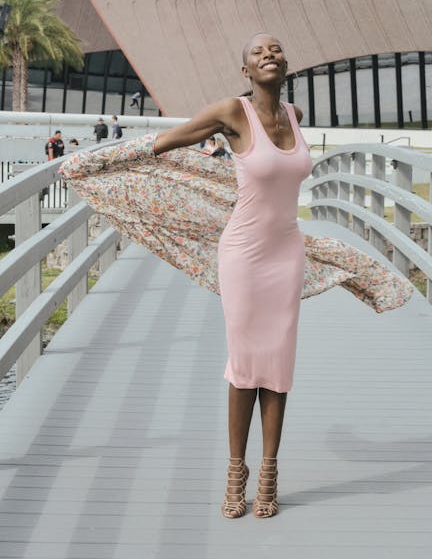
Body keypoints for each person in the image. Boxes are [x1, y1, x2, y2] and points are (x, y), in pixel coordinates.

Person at [59, 33, 413, 520]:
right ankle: (235, 472)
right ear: (245, 70)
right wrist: (90, 162)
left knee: (279, 364)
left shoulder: (295, 117)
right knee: (246, 364)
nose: (268, 54)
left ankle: (269, 472)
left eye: (275, 49)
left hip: (286, 252)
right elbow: (165, 143)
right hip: (243, 255)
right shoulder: (232, 112)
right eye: (257, 52)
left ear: (286, 63)